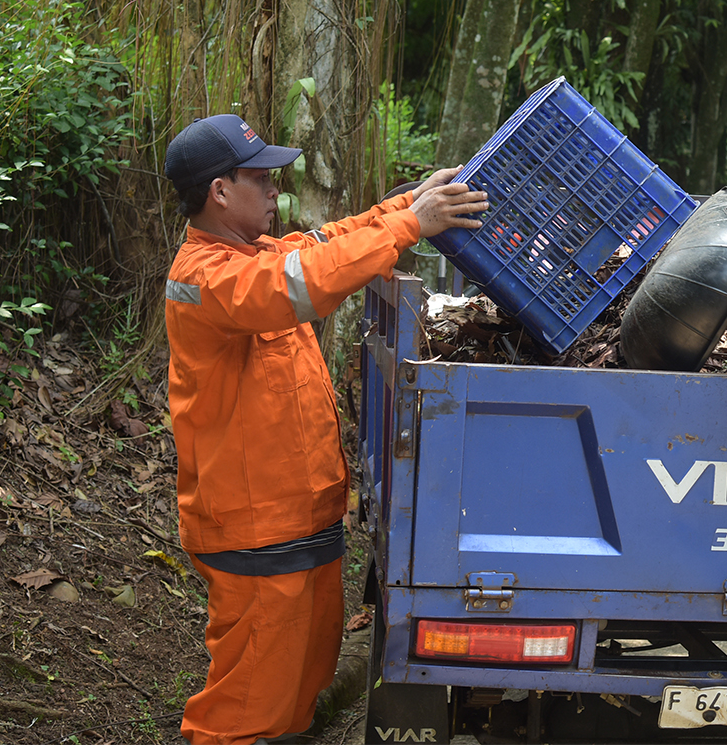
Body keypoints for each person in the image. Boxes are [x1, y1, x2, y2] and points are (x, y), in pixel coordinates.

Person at [161, 113, 487, 745]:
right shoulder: (205, 278)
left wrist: (405, 207)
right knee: (243, 712)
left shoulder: (252, 255)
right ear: (220, 191)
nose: (274, 191)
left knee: (296, 702)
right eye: (260, 178)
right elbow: (302, 284)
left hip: (303, 523)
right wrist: (408, 227)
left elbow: (323, 244)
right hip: (256, 535)